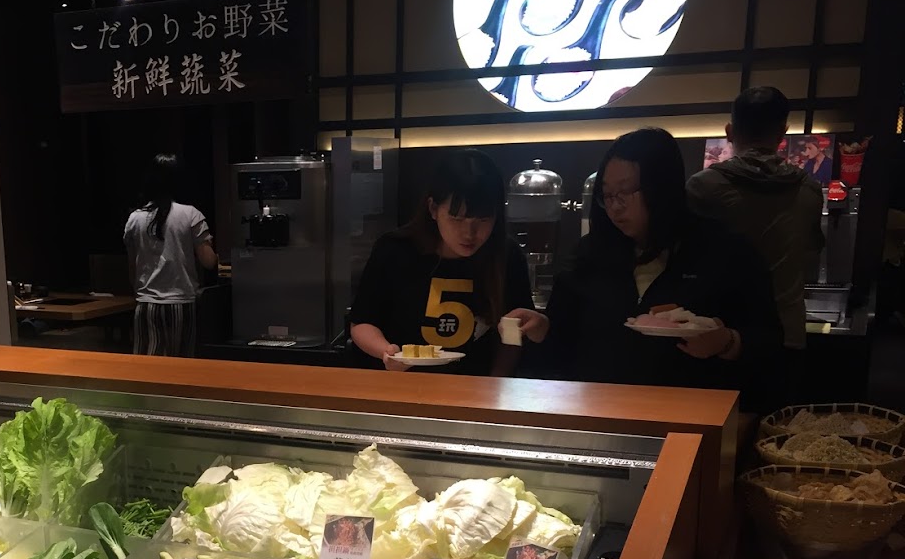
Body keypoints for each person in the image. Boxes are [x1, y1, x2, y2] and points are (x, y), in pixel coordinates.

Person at [541, 127, 783, 412]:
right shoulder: (589, 254)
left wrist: (727, 342)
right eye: (607, 195)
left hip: (689, 417)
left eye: (626, 192)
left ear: (662, 188)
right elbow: (559, 339)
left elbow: (768, 344)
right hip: (598, 416)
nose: (615, 207)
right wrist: (541, 328)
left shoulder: (723, 251)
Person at [349, 149, 544, 375]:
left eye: (482, 220)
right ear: (433, 209)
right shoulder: (395, 249)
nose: (469, 233)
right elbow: (362, 322)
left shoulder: (506, 255)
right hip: (401, 384)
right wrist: (387, 351)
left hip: (476, 388)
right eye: (457, 219)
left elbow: (513, 340)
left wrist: (496, 382)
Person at [687, 87, 824, 368]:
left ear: (729, 131)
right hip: (787, 335)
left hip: (719, 337)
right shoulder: (809, 190)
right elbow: (810, 259)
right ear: (783, 133)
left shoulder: (702, 187)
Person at [123, 154, 218, 357]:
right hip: (181, 303)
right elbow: (209, 262)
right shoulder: (191, 214)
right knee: (182, 365)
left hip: (146, 304)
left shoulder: (135, 218)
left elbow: (132, 267)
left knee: (147, 366)